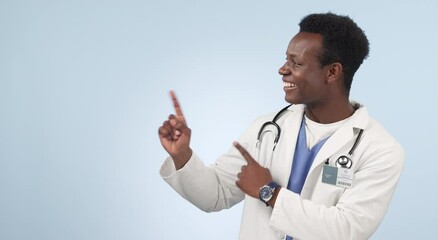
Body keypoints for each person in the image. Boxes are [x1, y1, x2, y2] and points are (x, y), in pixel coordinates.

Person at [158, 12, 404, 240]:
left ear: (332, 72)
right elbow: (215, 195)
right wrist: (182, 156)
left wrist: (269, 191)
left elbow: (346, 229)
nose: (282, 70)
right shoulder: (267, 128)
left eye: (296, 63)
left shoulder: (380, 150)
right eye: (286, 60)